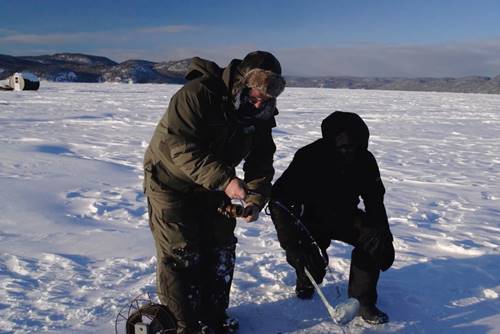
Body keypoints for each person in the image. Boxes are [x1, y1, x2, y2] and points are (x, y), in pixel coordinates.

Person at [143, 51, 286, 334]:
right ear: (241, 84)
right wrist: (225, 180)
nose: (259, 103)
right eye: (255, 95)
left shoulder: (261, 113)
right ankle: (183, 326)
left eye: (266, 100)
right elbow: (181, 148)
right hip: (170, 181)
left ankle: (213, 317)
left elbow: (261, 163)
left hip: (214, 184)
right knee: (181, 253)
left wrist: (255, 200)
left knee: (220, 247)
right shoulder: (197, 95)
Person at [268, 111, 395, 325]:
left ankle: (363, 301)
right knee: (311, 261)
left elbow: (374, 201)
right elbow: (279, 202)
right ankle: (306, 280)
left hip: (346, 215)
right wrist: (292, 245)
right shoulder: (308, 156)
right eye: (344, 148)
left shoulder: (365, 159)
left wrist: (383, 236)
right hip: (311, 219)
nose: (349, 152)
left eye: (355, 147)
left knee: (373, 238)